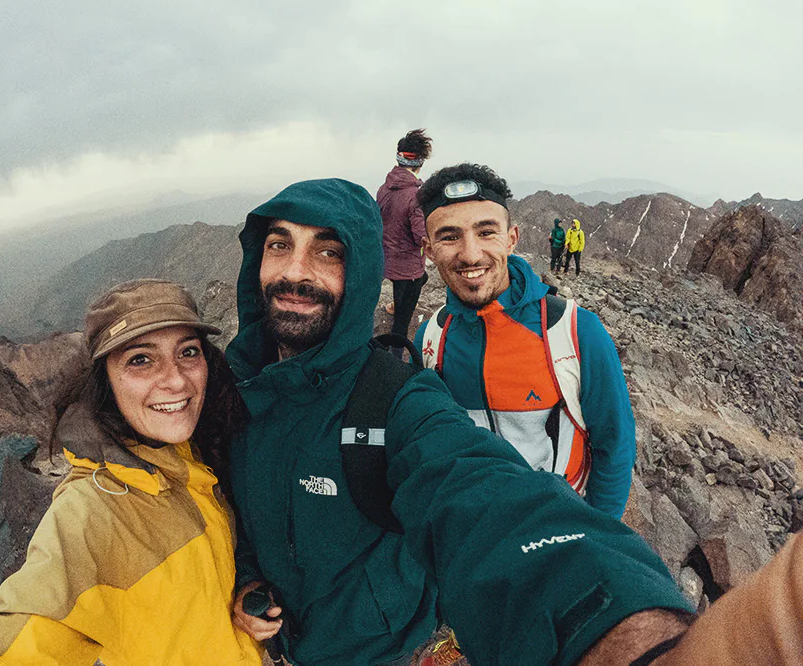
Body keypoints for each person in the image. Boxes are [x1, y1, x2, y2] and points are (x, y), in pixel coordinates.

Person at [224, 178, 695, 666]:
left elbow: (462, 474)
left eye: (329, 252)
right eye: (280, 244)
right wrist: (247, 577)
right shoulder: (228, 393)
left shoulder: (568, 334)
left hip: (407, 624)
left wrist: (605, 601)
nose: (296, 270)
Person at [0, 280, 262, 665]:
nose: (176, 379)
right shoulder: (92, 511)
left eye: (188, 352)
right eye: (140, 359)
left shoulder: (196, 456)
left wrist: (241, 601)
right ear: (106, 380)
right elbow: (16, 640)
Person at [413, 164, 634, 519]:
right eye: (449, 236)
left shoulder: (574, 330)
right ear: (428, 249)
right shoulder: (430, 338)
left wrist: (596, 536)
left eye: (486, 232)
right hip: (471, 528)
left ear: (512, 238)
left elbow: (614, 443)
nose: (470, 254)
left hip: (556, 523)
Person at [377, 129, 432, 342]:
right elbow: (421, 236)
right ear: (420, 162)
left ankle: (394, 304)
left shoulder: (384, 188)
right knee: (402, 321)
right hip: (408, 267)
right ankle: (397, 358)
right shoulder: (415, 195)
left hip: (387, 259)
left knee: (421, 280)